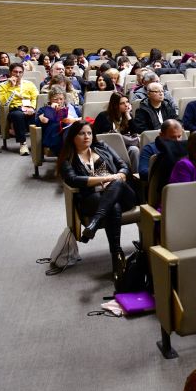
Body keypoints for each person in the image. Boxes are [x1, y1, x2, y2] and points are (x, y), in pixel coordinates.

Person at [58, 121, 137, 288]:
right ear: (73, 137)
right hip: (92, 200)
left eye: (89, 133)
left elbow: (124, 165)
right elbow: (72, 179)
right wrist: (105, 179)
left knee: (117, 185)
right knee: (112, 207)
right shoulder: (68, 158)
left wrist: (119, 176)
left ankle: (94, 223)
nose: (86, 136)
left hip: (124, 195)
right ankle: (116, 254)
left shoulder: (102, 147)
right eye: (81, 134)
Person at [0, 62, 39, 155]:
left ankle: (38, 144)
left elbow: (35, 97)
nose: (18, 74)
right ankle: (23, 144)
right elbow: (4, 102)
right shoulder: (2, 86)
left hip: (29, 108)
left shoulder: (29, 84)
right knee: (18, 115)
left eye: (20, 72)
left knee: (39, 116)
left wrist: (32, 107)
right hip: (14, 109)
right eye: (15, 72)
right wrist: (12, 87)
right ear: (10, 72)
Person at [93, 92, 141, 168]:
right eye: (122, 103)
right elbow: (95, 135)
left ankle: (135, 176)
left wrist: (128, 115)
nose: (126, 105)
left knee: (134, 150)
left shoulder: (127, 116)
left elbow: (135, 132)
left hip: (124, 147)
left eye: (127, 102)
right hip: (107, 147)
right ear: (115, 105)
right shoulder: (103, 116)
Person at [36, 86, 81, 156]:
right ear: (50, 99)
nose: (59, 101)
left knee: (72, 130)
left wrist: (74, 120)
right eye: (55, 99)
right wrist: (49, 111)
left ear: (64, 99)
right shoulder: (44, 109)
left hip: (70, 130)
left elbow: (81, 117)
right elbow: (41, 121)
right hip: (53, 136)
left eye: (61, 99)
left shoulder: (71, 107)